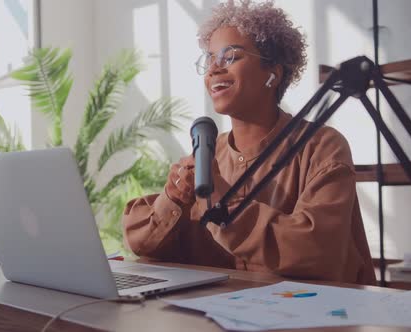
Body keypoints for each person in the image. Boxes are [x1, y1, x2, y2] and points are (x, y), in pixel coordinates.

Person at [122, 0, 376, 285]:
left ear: (273, 73)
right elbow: (142, 245)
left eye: (230, 56)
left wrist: (220, 201)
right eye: (209, 59)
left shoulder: (321, 147)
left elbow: (315, 251)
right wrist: (174, 199)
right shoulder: (208, 152)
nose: (214, 69)